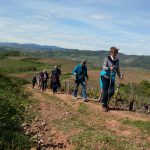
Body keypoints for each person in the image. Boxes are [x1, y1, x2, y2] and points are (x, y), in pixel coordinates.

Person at [100, 47, 123, 111]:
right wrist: (109, 68)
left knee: (112, 92)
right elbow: (103, 67)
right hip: (105, 76)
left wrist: (120, 76)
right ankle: (104, 105)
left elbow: (117, 69)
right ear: (110, 52)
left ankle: (104, 101)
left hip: (112, 77)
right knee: (105, 91)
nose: (114, 53)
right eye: (113, 52)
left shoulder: (117, 60)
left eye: (116, 52)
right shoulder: (106, 59)